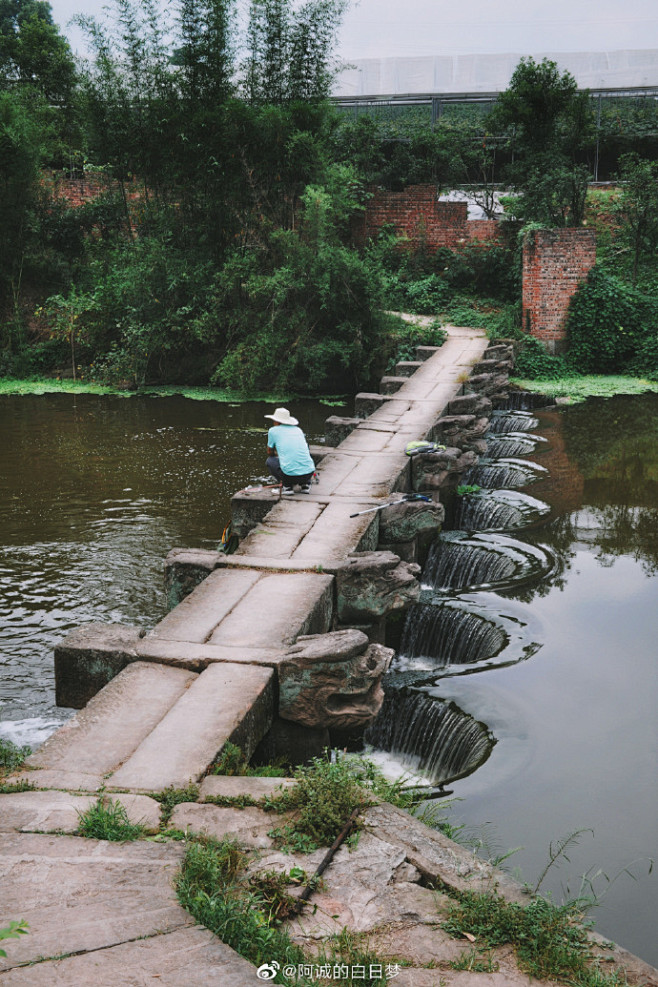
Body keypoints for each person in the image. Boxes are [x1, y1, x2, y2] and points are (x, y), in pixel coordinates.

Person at [265, 407, 316, 495]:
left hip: (290, 476)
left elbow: (270, 452)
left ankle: (287, 487)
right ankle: (305, 485)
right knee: (301, 457)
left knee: (270, 461)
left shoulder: (273, 431)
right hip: (309, 473)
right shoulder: (298, 430)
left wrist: (278, 455)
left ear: (277, 421)